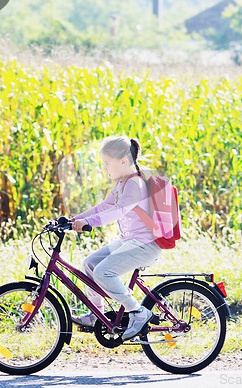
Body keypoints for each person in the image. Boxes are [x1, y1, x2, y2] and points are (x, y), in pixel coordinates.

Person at [70, 135, 161, 340]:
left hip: (144, 245)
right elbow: (104, 206)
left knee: (103, 272)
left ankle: (137, 312)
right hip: (129, 241)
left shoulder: (135, 184)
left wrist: (90, 223)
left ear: (123, 161)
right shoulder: (122, 182)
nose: (105, 168)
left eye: (107, 163)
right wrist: (74, 219)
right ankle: (97, 314)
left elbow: (119, 211)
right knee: (90, 264)